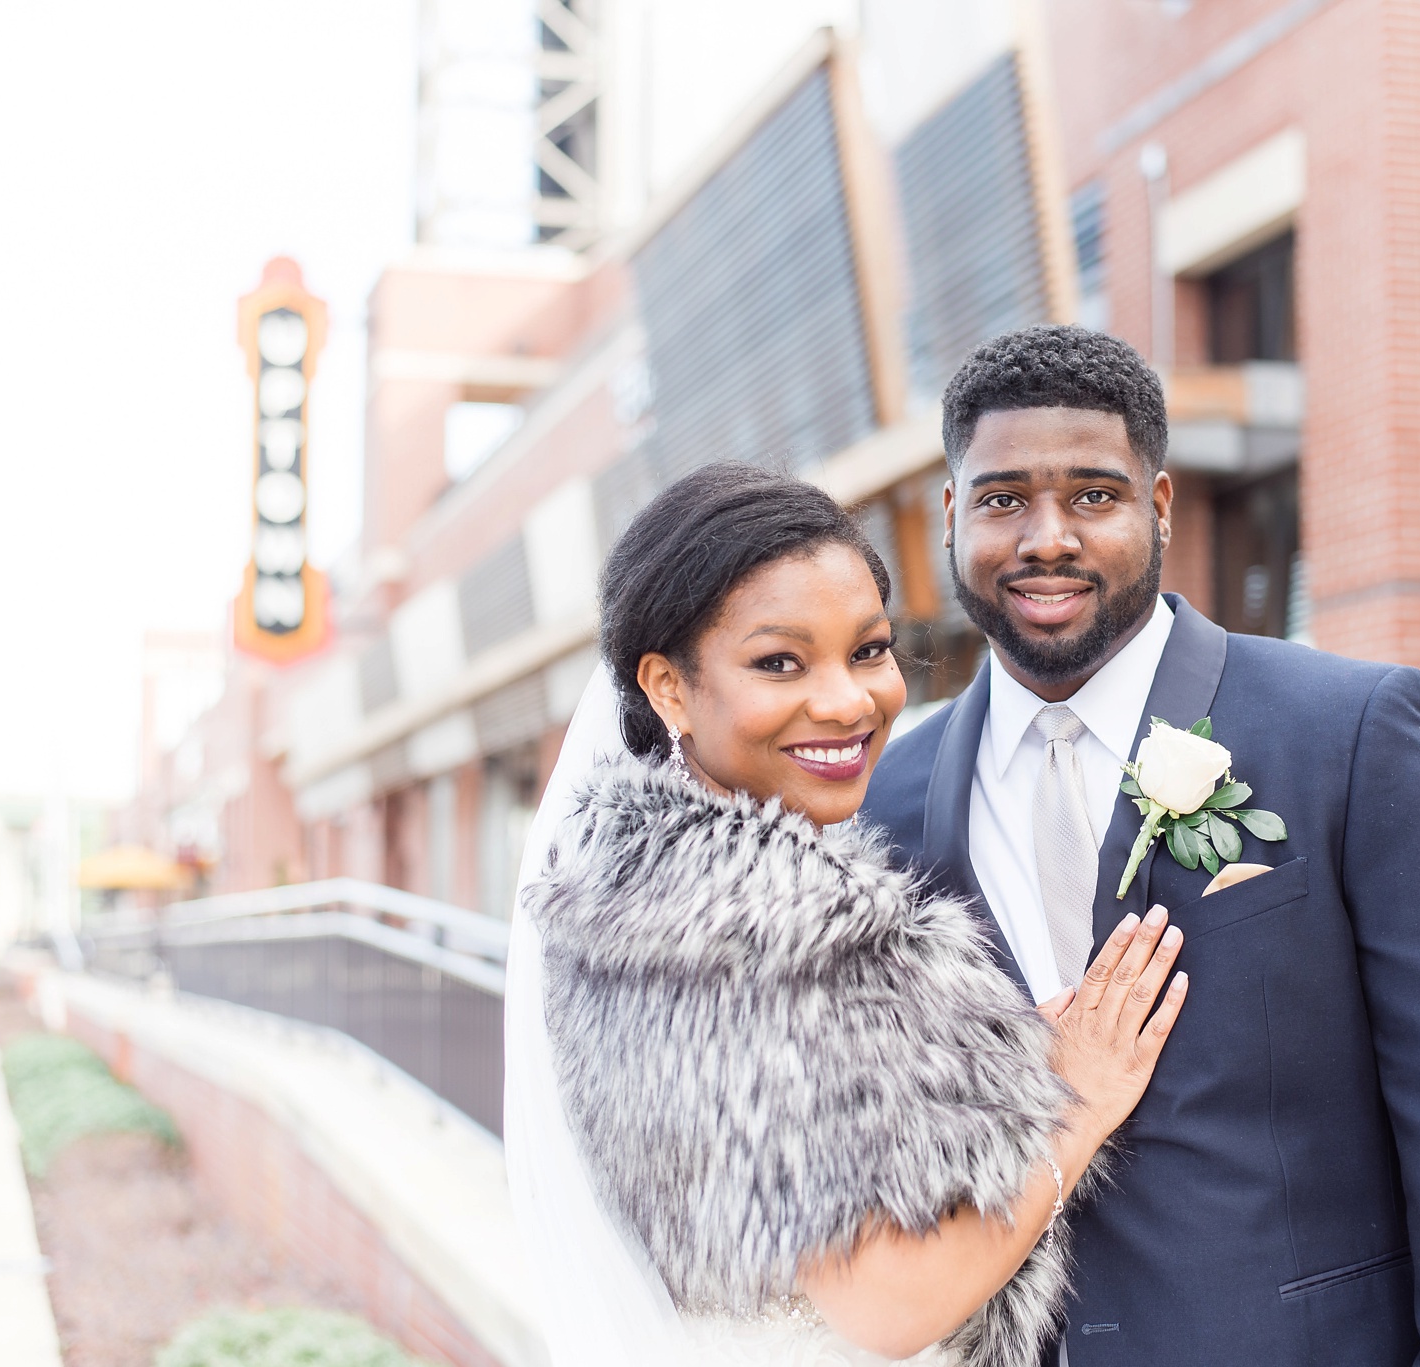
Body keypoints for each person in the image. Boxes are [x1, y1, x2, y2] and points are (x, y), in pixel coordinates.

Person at [859, 325, 1420, 1366]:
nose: (1045, 537)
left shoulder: (1351, 729)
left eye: (1092, 496)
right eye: (1004, 498)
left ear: (1156, 506)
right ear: (953, 514)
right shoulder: (890, 801)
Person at [504, 462, 1189, 1367]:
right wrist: (1076, 1103)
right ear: (669, 686)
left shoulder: (632, 910)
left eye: (867, 650)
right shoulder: (767, 933)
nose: (846, 700)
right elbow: (889, 1304)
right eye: (779, 662)